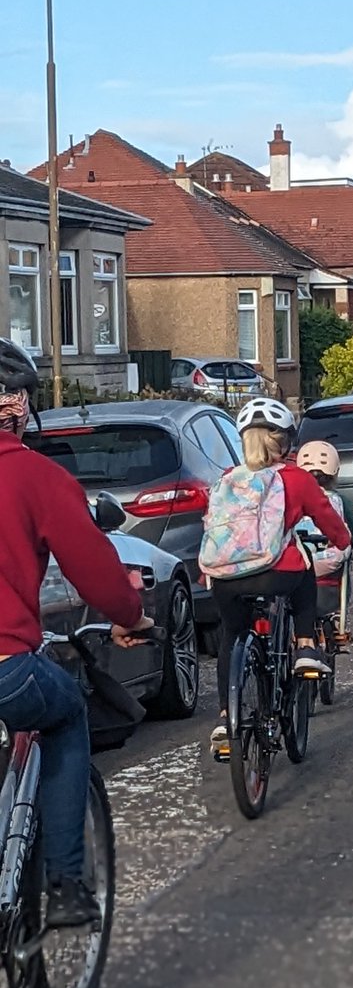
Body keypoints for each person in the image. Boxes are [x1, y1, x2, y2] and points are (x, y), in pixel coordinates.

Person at [0, 338, 155, 926]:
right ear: (14, 404)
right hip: (7, 665)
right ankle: (66, 884)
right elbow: (96, 572)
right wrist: (131, 617)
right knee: (64, 714)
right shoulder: (34, 476)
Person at [204, 398, 351, 753]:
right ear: (283, 442)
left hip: (225, 578)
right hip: (275, 574)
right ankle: (303, 647)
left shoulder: (227, 479)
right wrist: (343, 540)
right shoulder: (294, 478)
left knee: (232, 637)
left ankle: (227, 717)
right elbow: (325, 518)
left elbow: (213, 527)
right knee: (303, 575)